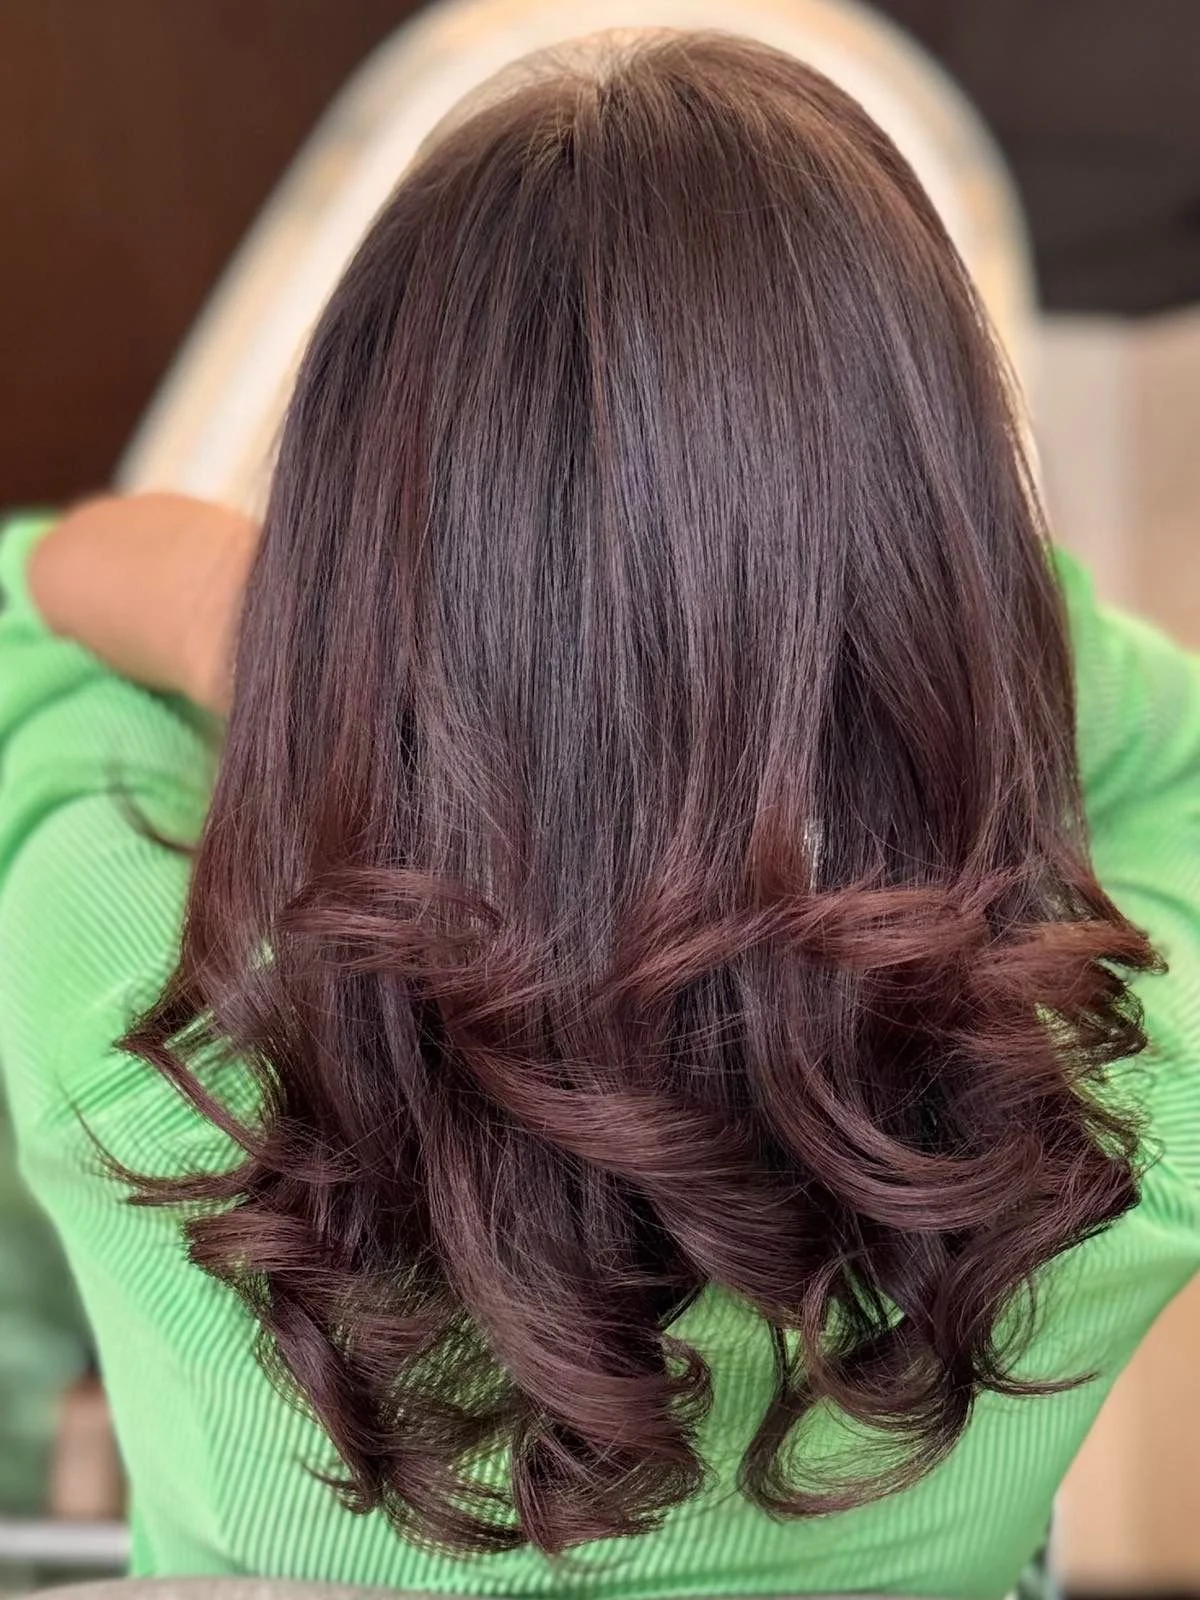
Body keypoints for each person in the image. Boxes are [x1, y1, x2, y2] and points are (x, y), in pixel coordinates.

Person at [1, 29, 1197, 1599]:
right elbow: (1156, 742)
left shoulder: (134, 1043)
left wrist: (306, 659)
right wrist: (909, 643)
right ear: (941, 609)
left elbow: (46, 586)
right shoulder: (1123, 1126)